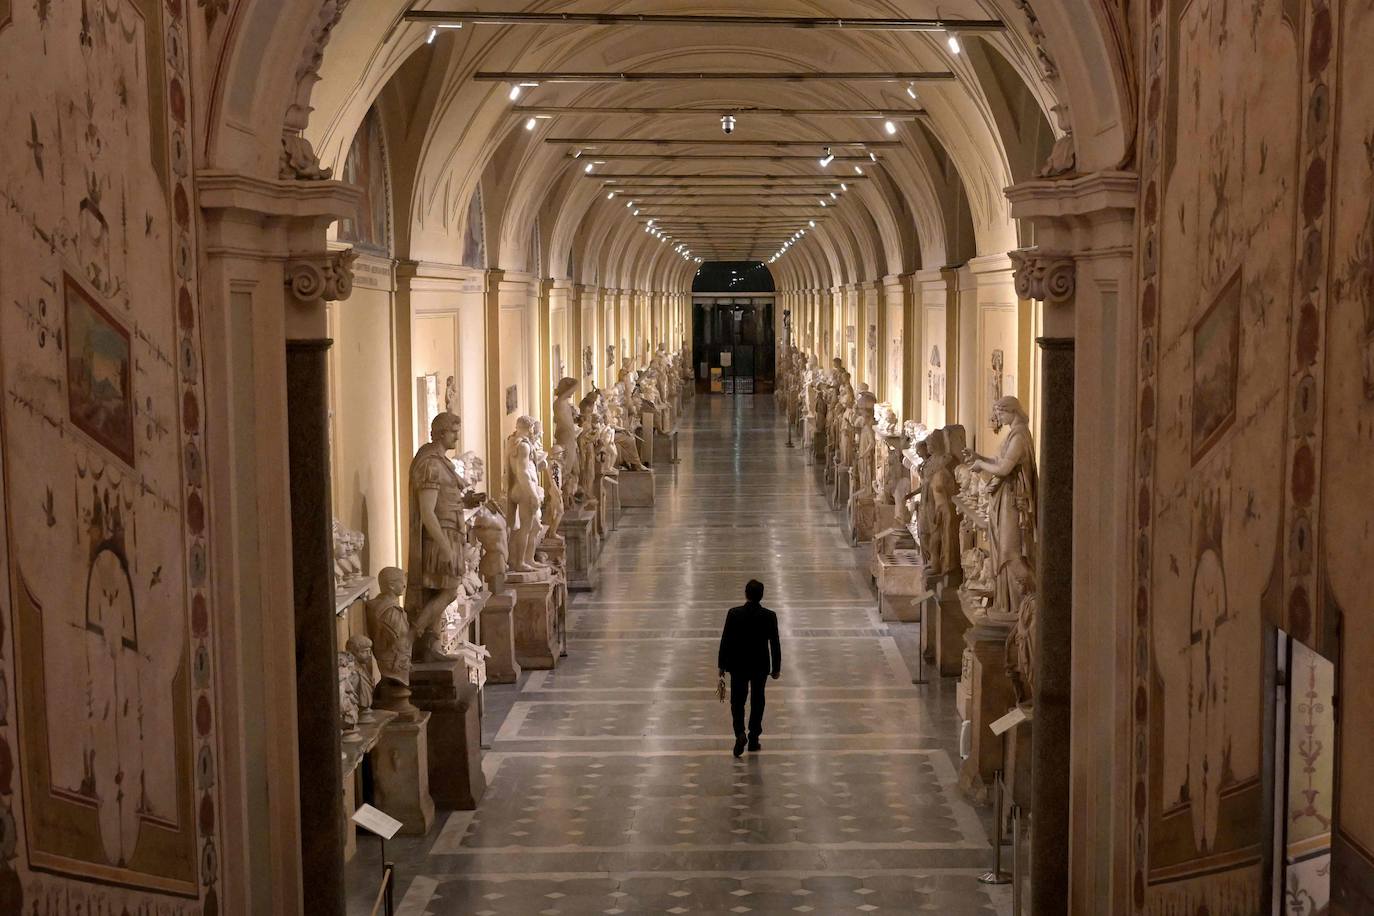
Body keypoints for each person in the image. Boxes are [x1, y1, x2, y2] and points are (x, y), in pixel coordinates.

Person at [717, 579, 782, 757]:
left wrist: (721, 665)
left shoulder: (734, 614)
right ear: (761, 596)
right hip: (760, 665)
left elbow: (726, 640)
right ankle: (753, 738)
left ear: (746, 594)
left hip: (738, 664)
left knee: (737, 701)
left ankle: (739, 733)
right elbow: (775, 644)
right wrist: (776, 668)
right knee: (758, 700)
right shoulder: (769, 616)